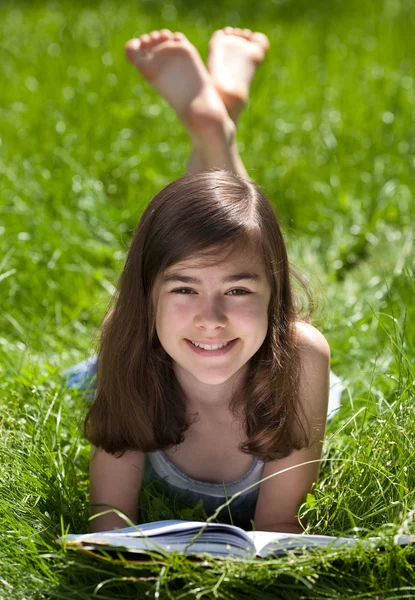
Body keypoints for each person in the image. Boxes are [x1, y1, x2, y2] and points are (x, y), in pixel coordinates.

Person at [72, 28, 331, 534]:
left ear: (276, 295)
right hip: (145, 347)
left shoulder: (299, 358)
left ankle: (215, 126)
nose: (210, 321)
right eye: (184, 289)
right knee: (212, 237)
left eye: (238, 291)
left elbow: (279, 523)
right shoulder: (127, 348)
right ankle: (218, 123)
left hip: (270, 352)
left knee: (225, 234)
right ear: (145, 299)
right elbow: (107, 524)